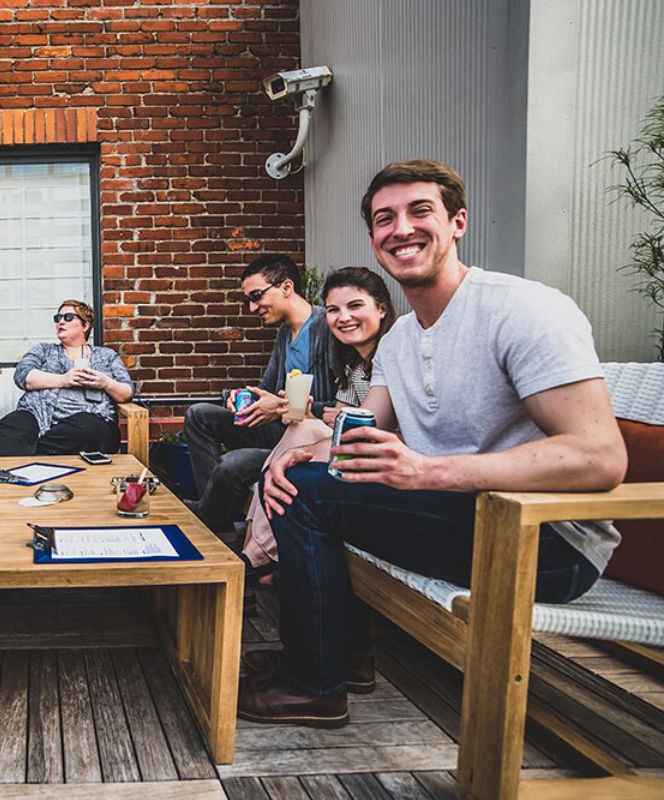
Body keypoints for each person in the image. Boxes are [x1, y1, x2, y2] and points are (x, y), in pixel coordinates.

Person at [240, 159, 627, 727]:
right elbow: (361, 431)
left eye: (420, 212)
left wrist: (428, 472)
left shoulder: (521, 310)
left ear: (457, 223)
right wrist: (304, 453)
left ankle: (315, 683)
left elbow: (599, 456)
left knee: (311, 497)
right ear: (373, 239)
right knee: (301, 481)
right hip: (464, 516)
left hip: (544, 541)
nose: (401, 228)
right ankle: (339, 663)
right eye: (383, 218)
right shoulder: (400, 337)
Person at [240, 267, 394, 585]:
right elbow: (336, 415)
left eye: (355, 306)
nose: (343, 317)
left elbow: (367, 426)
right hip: (350, 446)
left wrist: (316, 415)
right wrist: (305, 412)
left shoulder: (395, 353)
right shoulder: (350, 364)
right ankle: (253, 554)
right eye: (334, 310)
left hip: (389, 458)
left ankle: (254, 557)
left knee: (307, 442)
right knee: (302, 430)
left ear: (381, 308)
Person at [183, 254, 337, 534]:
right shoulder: (284, 333)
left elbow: (335, 406)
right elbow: (264, 389)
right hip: (280, 428)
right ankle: (212, 511)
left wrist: (279, 406)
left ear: (286, 287)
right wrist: (240, 395)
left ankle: (209, 522)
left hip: (310, 441)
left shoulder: (328, 327)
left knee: (234, 462)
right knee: (199, 415)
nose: (252, 307)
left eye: (256, 296)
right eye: (248, 300)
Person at [0, 299, 134, 456]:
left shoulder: (106, 356)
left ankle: (28, 452)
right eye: (58, 318)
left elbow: (126, 392)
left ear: (85, 325)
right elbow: (23, 375)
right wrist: (63, 380)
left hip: (86, 421)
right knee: (12, 426)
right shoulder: (44, 350)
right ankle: (1, 472)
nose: (61, 322)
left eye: (68, 317)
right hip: (36, 414)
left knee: (94, 430)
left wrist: (106, 383)